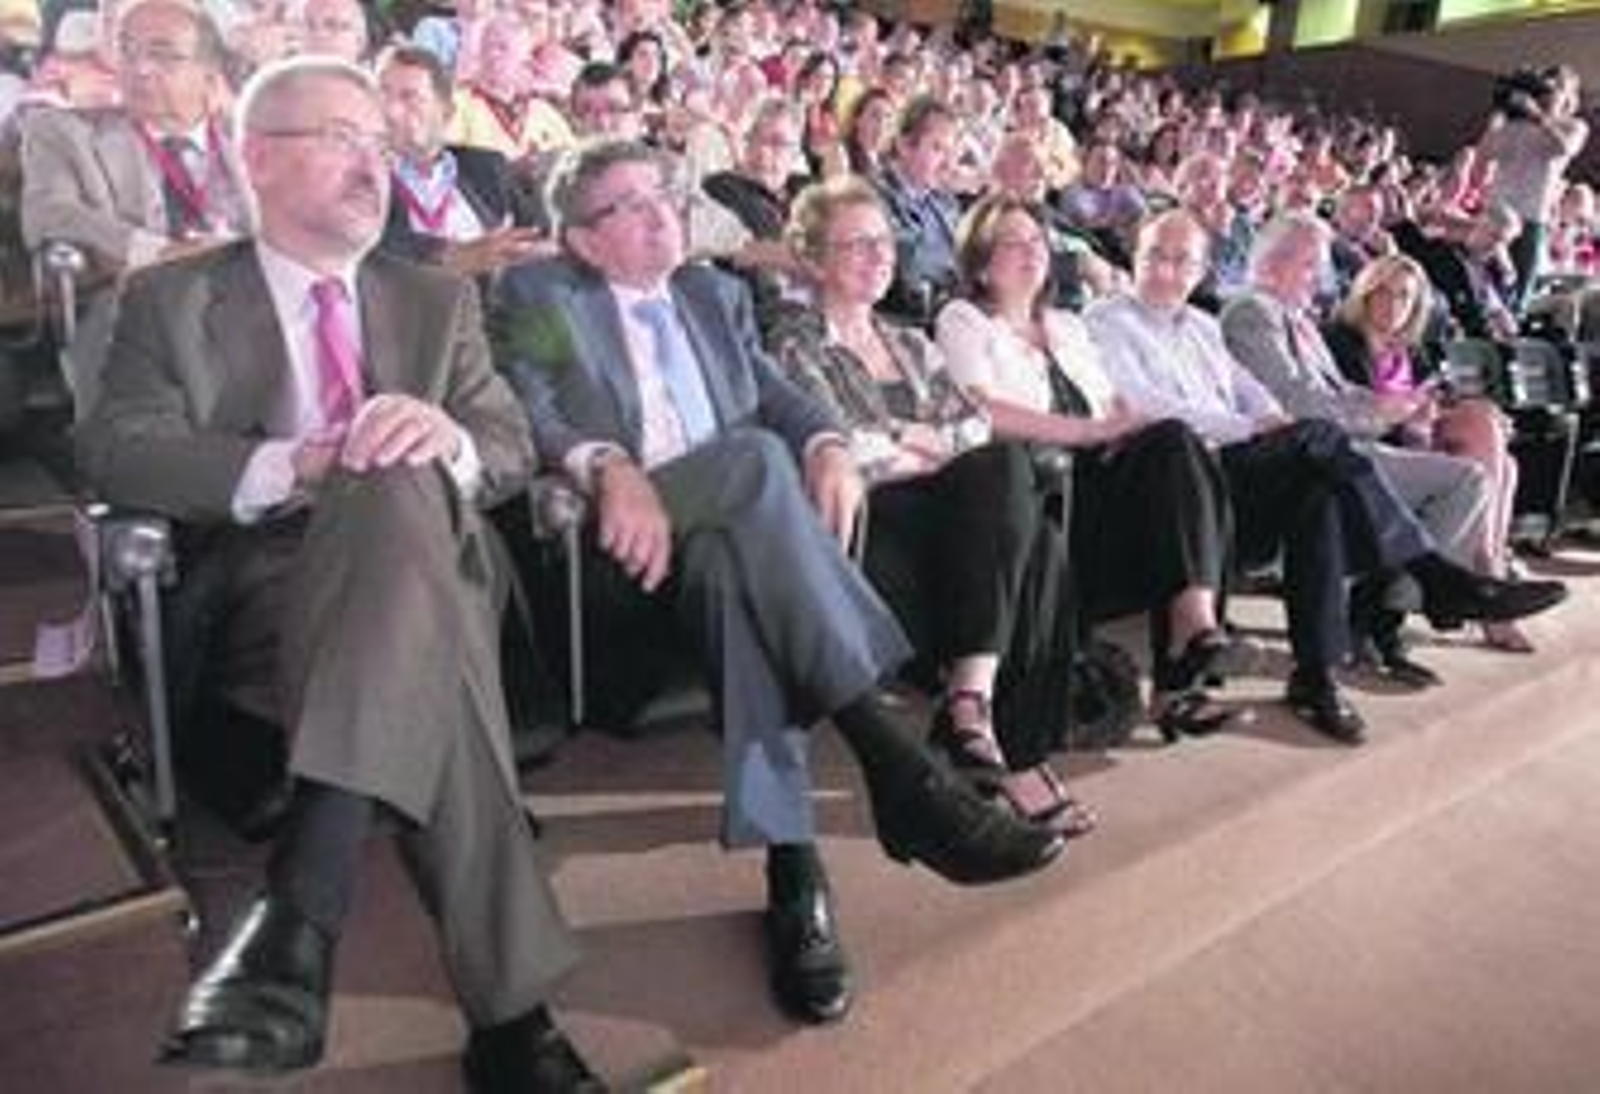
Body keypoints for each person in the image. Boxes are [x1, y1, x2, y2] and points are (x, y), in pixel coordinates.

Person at [77, 57, 601, 1091]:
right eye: (341, 139)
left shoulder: (431, 299)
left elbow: (501, 442)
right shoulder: (171, 298)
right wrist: (294, 461)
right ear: (259, 159)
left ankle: (304, 899)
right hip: (267, 591)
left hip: (442, 560)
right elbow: (116, 450)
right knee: (427, 631)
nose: (374, 162)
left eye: (379, 141)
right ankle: (513, 1017)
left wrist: (444, 435)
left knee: (403, 475)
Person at [495, 140, 1063, 1027]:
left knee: (742, 561)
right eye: (630, 205)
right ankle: (896, 766)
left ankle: (796, 871)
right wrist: (605, 463)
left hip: (725, 541)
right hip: (621, 536)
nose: (661, 213)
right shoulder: (538, 295)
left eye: (664, 194)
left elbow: (778, 398)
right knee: (757, 462)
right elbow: (527, 403)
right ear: (582, 238)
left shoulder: (712, 296)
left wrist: (828, 442)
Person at [1087, 209, 1566, 742]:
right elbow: (1144, 404)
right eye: (1156, 255)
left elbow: (1254, 391)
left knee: (1320, 488)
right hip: (1160, 479)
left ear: (1201, 269)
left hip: (1230, 473)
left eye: (1182, 260)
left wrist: (1266, 420)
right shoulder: (1106, 319)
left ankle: (1317, 677)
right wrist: (1255, 426)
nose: (1167, 271)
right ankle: (1430, 574)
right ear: (1134, 256)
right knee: (1313, 442)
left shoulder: (1203, 327)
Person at [770, 176, 1095, 828]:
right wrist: (920, 440)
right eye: (855, 244)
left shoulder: (912, 342)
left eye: (885, 242)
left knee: (1024, 509)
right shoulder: (793, 341)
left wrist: (914, 442)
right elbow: (839, 440)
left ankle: (974, 712)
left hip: (952, 513)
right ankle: (1007, 744)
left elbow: (974, 425)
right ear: (812, 258)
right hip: (871, 523)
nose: (879, 256)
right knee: (1015, 498)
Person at [935, 195, 1236, 742]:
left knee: (1175, 444)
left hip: (1094, 486)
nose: (1031, 252)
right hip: (1030, 492)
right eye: (1013, 243)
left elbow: (1114, 403)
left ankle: (1191, 640)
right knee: (1173, 456)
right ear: (980, 261)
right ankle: (1181, 665)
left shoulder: (1069, 326)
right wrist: (1087, 432)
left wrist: (1121, 427)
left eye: (1037, 242)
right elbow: (984, 412)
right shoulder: (964, 321)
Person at [1221, 212, 1499, 686]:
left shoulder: (1298, 321)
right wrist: (1383, 414)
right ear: (1271, 264)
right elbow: (1295, 402)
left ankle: (1382, 615)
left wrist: (1400, 406)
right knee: (1458, 482)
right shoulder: (1251, 312)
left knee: (1470, 479)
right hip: (1300, 458)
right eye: (1311, 265)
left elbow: (1341, 393)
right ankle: (1408, 602)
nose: (1321, 278)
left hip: (1348, 444)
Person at [19, 0, 249, 414]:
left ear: (209, 75)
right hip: (133, 300)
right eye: (127, 50)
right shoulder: (64, 130)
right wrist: (156, 253)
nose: (139, 68)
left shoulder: (252, 138)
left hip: (249, 297)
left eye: (162, 55)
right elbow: (47, 213)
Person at [1324, 253, 1532, 653]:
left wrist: (1434, 415)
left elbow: (1433, 400)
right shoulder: (1340, 340)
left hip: (1412, 442)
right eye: (1383, 292)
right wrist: (1412, 417)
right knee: (1483, 442)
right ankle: (1487, 571)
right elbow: (1352, 415)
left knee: (1501, 453)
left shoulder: (1410, 351)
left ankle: (1486, 571)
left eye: (1404, 296)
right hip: (1372, 447)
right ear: (1365, 293)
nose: (1393, 304)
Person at [375, 44, 550, 277]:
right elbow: (369, 246)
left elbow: (539, 238)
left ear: (446, 112)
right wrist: (449, 255)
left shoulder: (487, 167)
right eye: (382, 94)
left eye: (409, 97)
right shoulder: (360, 176)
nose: (391, 110)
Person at [1478, 65, 1590, 309]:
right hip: (1496, 213)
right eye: (1547, 84)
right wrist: (1500, 113)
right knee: (1483, 287)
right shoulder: (1517, 124)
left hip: (1531, 218)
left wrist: (1539, 116)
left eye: (1557, 87)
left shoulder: (1573, 126)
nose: (1550, 91)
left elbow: (1565, 148)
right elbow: (1484, 153)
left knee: (1516, 297)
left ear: (1569, 97)